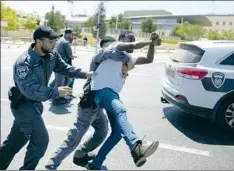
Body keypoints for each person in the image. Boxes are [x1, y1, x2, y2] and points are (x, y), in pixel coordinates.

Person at [0, 26, 95, 170]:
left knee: (15, 141)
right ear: (39, 41)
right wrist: (57, 92)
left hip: (35, 106)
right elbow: (30, 91)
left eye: (56, 40)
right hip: (24, 106)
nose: (55, 43)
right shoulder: (25, 62)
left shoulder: (52, 56)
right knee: (40, 140)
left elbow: (66, 69)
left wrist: (85, 74)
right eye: (51, 41)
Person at [45, 36, 134, 170]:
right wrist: (126, 56)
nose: (112, 50)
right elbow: (111, 53)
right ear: (103, 46)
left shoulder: (114, 62)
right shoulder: (100, 56)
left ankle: (81, 154)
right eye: (109, 46)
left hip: (98, 107)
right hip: (88, 106)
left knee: (102, 132)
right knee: (74, 137)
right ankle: (52, 164)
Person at [84, 31, 161, 170]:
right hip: (102, 91)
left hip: (111, 94)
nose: (132, 39)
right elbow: (134, 45)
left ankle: (96, 164)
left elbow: (149, 59)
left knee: (117, 133)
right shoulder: (115, 46)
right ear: (121, 40)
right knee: (121, 109)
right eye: (129, 38)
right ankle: (136, 146)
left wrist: (152, 46)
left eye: (133, 37)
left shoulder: (128, 59)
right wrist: (150, 42)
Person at [50, 29, 77, 104]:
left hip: (57, 64)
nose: (72, 37)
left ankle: (63, 94)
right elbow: (70, 55)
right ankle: (56, 99)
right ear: (68, 34)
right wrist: (74, 56)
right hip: (61, 65)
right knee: (60, 82)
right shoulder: (66, 42)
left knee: (67, 80)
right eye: (72, 35)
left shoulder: (60, 40)